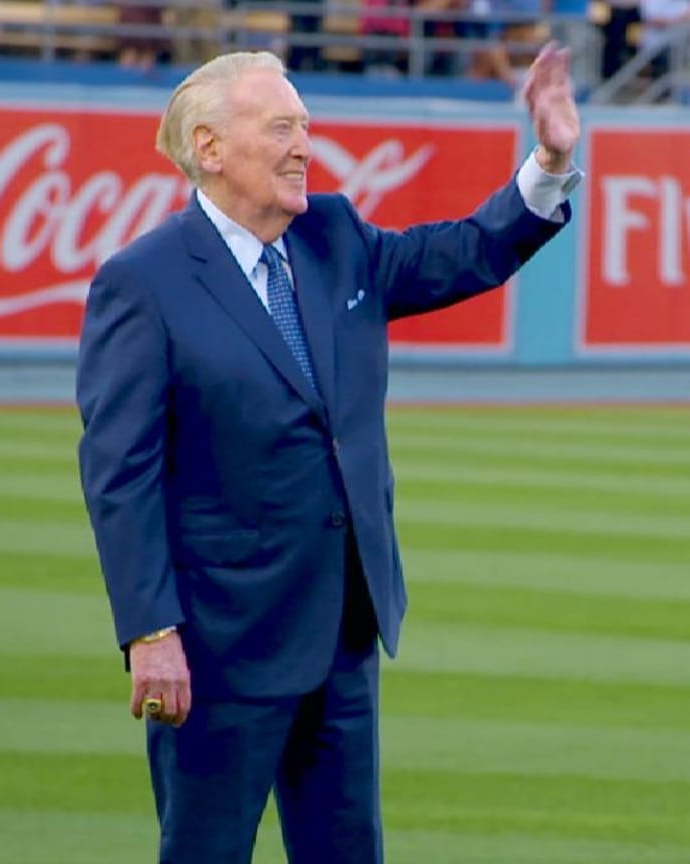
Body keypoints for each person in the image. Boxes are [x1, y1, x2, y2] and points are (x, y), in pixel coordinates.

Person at [75, 45, 582, 864]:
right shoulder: (144, 282)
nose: (304, 145)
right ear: (210, 148)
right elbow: (118, 472)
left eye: (305, 126)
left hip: (343, 632)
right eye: (281, 127)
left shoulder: (334, 235)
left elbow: (463, 253)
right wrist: (149, 630)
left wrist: (551, 162)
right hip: (220, 650)